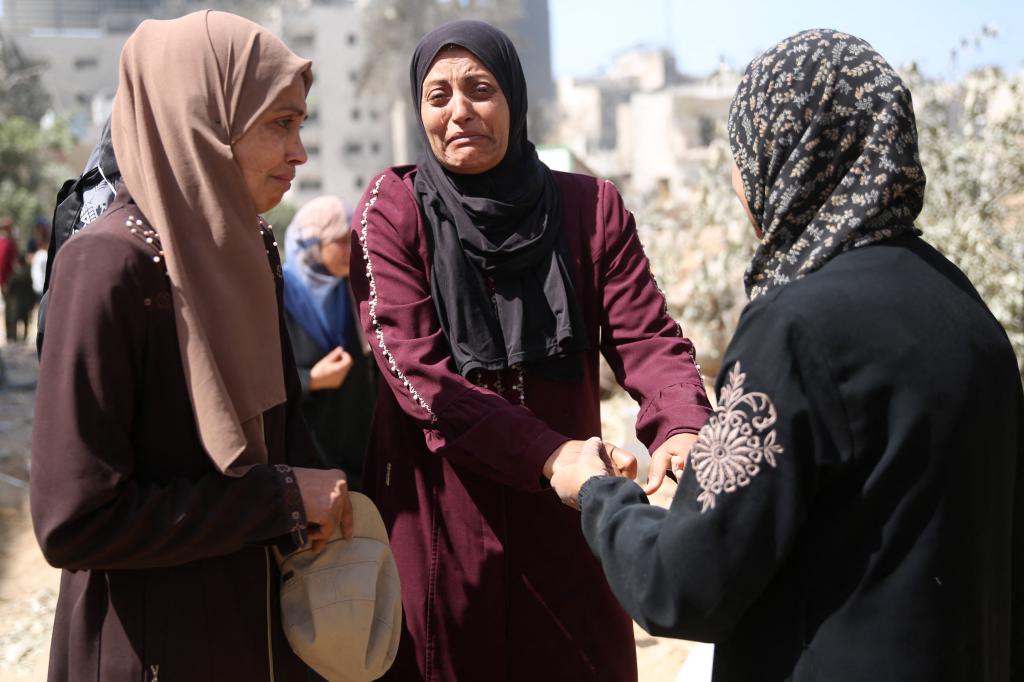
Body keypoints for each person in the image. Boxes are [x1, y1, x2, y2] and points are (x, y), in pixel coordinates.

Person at [550, 29, 1023, 681]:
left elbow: (681, 585)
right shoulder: (961, 306)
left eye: (740, 161)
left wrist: (596, 493)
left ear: (785, 156)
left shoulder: (796, 325)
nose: (741, 186)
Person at [348, 20, 712, 681]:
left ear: (514, 99)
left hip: (571, 525)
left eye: (479, 89)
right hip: (444, 536)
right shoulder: (392, 208)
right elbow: (419, 378)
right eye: (438, 96)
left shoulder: (590, 208)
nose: (458, 110)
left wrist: (683, 423)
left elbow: (647, 335)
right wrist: (550, 454)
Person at [30, 11, 353, 681]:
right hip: (146, 651)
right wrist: (282, 501)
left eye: (300, 124)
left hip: (254, 638)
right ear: (201, 120)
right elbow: (72, 521)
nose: (300, 153)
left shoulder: (249, 251)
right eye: (280, 124)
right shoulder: (109, 266)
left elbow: (279, 438)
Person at [283, 195, 377, 490]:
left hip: (357, 450)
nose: (352, 252)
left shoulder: (353, 292)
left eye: (355, 242)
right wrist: (311, 380)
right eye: (341, 241)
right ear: (312, 243)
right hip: (305, 458)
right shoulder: (277, 294)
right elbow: (257, 378)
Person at [0, 217, 18, 340]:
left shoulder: (11, 241)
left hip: (13, 279)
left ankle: (13, 334)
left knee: (13, 307)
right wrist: (4, 281)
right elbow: (2, 263)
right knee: (10, 308)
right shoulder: (4, 242)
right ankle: (10, 334)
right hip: (8, 280)